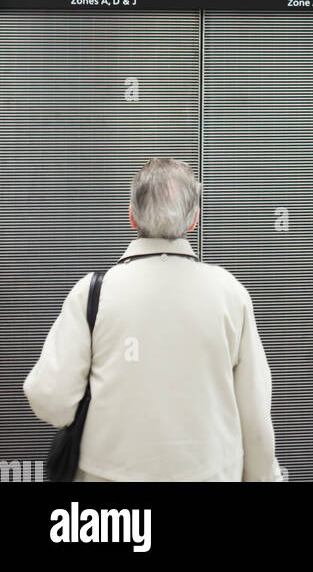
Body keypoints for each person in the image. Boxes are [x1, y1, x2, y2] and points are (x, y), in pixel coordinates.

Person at [23, 158, 282, 482]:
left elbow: (50, 399)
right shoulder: (231, 293)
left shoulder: (93, 293)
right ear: (194, 220)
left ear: (132, 215)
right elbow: (255, 419)